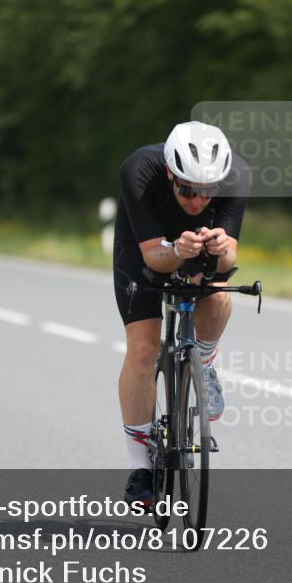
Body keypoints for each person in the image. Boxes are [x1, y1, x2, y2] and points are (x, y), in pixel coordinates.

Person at [113, 122, 249, 506]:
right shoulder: (139, 169)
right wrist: (176, 250)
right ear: (171, 173)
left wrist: (221, 248)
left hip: (198, 243)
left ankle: (202, 363)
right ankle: (140, 469)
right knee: (142, 350)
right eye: (187, 189)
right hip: (146, 242)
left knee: (219, 299)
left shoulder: (235, 174)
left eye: (207, 192)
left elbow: (231, 257)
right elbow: (154, 257)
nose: (197, 201)